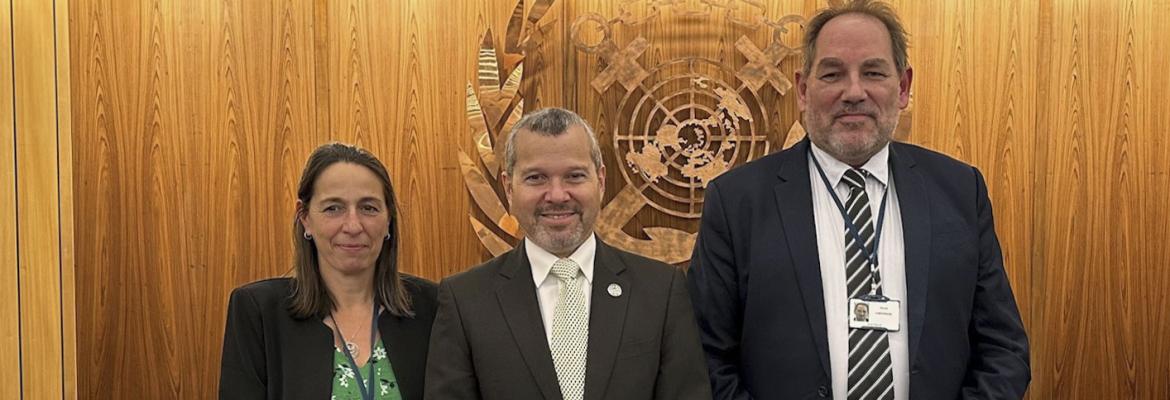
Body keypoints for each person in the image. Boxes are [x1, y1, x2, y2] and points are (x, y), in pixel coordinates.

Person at [686, 1, 1030, 399]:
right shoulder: (737, 201)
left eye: (873, 72)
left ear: (902, 87)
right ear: (802, 89)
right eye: (833, 74)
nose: (853, 92)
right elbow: (704, 357)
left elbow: (1004, 350)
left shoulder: (959, 190)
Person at [425, 107, 711, 400]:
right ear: (509, 188)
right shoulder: (465, 300)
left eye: (574, 176)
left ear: (600, 182)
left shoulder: (661, 291)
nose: (558, 195)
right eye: (536, 178)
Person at [219, 143, 438, 400]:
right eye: (333, 208)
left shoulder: (431, 307)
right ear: (305, 218)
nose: (353, 225)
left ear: (388, 219)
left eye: (368, 207)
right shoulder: (259, 312)